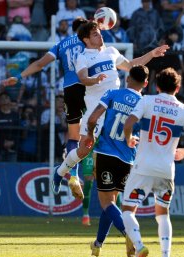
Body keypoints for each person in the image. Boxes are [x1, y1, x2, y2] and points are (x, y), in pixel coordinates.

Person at [52, 21, 169, 198]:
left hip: (114, 109)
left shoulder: (111, 51)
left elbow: (131, 65)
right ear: (86, 39)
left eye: (99, 32)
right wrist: (95, 80)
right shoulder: (82, 57)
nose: (100, 35)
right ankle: (59, 173)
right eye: (95, 34)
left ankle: (121, 194)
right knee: (83, 150)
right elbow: (83, 78)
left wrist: (152, 54)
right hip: (96, 110)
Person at [121, 68, 184, 257]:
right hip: (166, 170)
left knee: (128, 210)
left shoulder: (147, 101)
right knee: (162, 215)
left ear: (156, 85)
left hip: (143, 167)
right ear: (177, 87)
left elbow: (128, 123)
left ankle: (139, 246)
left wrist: (129, 138)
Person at [2, 18, 88, 197]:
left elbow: (40, 64)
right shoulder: (92, 42)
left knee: (74, 137)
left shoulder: (62, 44)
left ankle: (70, 173)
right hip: (89, 92)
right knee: (90, 136)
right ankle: (67, 170)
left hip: (70, 91)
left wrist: (19, 77)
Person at [84, 64, 149, 257]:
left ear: (127, 79)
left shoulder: (112, 94)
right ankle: (98, 244)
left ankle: (129, 234)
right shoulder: (144, 103)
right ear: (145, 83)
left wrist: (89, 134)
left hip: (106, 153)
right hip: (129, 158)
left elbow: (93, 118)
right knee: (113, 203)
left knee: (106, 203)